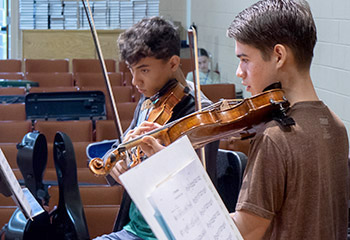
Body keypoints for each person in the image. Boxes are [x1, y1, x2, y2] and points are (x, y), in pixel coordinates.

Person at [133, 0, 350, 239]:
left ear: (278, 55)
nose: (239, 71)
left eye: (245, 59)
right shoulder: (336, 126)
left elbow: (243, 232)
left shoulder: (275, 137)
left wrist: (167, 171)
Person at [93, 16, 218, 240]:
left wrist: (163, 160)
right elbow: (117, 149)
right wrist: (117, 160)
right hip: (136, 229)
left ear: (173, 63)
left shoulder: (200, 111)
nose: (135, 81)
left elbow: (200, 193)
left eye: (144, 70)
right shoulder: (150, 100)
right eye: (131, 70)